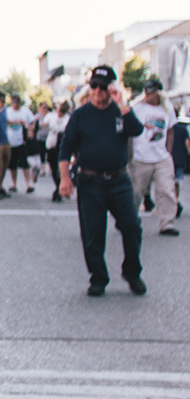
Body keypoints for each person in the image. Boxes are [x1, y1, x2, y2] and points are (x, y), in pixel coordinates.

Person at [58, 64, 145, 296]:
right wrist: (65, 179)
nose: (98, 91)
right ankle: (98, 277)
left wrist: (123, 105)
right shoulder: (80, 115)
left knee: (132, 226)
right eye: (94, 85)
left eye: (104, 87)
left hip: (119, 180)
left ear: (112, 88)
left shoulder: (121, 111)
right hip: (90, 181)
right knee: (93, 233)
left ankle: (132, 271)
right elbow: (65, 148)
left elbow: (137, 131)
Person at [128, 77, 179, 237]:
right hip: (140, 156)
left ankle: (166, 223)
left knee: (166, 190)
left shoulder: (167, 108)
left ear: (158, 93)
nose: (149, 95)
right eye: (147, 92)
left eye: (152, 93)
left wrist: (168, 152)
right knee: (136, 192)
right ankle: (128, 220)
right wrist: (129, 155)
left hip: (161, 156)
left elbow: (170, 130)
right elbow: (129, 131)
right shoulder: (137, 108)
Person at [6, 93, 36, 192]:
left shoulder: (25, 111)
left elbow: (32, 121)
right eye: (14, 102)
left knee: (24, 163)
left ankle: (28, 184)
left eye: (17, 102)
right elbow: (5, 122)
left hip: (22, 141)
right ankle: (14, 184)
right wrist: (17, 122)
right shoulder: (8, 111)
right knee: (12, 164)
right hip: (11, 141)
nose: (15, 104)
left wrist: (30, 130)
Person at [46, 101, 70, 201]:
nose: (60, 113)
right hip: (51, 145)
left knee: (59, 169)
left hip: (61, 146)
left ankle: (58, 190)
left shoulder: (67, 118)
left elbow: (63, 129)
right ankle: (58, 188)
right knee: (53, 168)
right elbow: (44, 122)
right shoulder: (51, 116)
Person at [172, 109, 189, 218]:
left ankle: (173, 203)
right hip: (180, 159)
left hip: (168, 158)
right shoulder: (182, 129)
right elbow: (188, 144)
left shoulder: (165, 128)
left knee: (169, 183)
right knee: (176, 183)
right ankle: (175, 201)